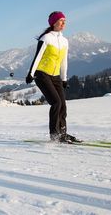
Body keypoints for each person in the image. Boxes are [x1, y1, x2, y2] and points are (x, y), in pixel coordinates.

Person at [26, 11, 79, 143]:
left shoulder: (64, 41)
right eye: (61, 21)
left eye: (64, 21)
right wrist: (31, 73)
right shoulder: (46, 38)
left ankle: (63, 133)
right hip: (42, 74)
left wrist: (64, 78)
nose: (63, 23)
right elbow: (37, 56)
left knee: (63, 106)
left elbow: (63, 61)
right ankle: (55, 135)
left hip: (55, 76)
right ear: (53, 23)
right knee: (56, 102)